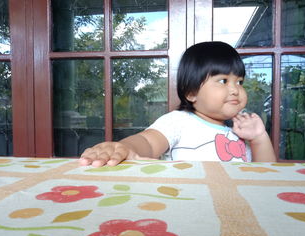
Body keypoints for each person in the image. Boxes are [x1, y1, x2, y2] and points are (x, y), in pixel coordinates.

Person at [79, 41, 276, 167]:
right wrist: (123, 147)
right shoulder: (179, 122)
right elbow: (147, 141)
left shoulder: (238, 130)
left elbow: (267, 174)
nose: (235, 89)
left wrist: (259, 137)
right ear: (191, 93)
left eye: (240, 82)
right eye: (223, 81)